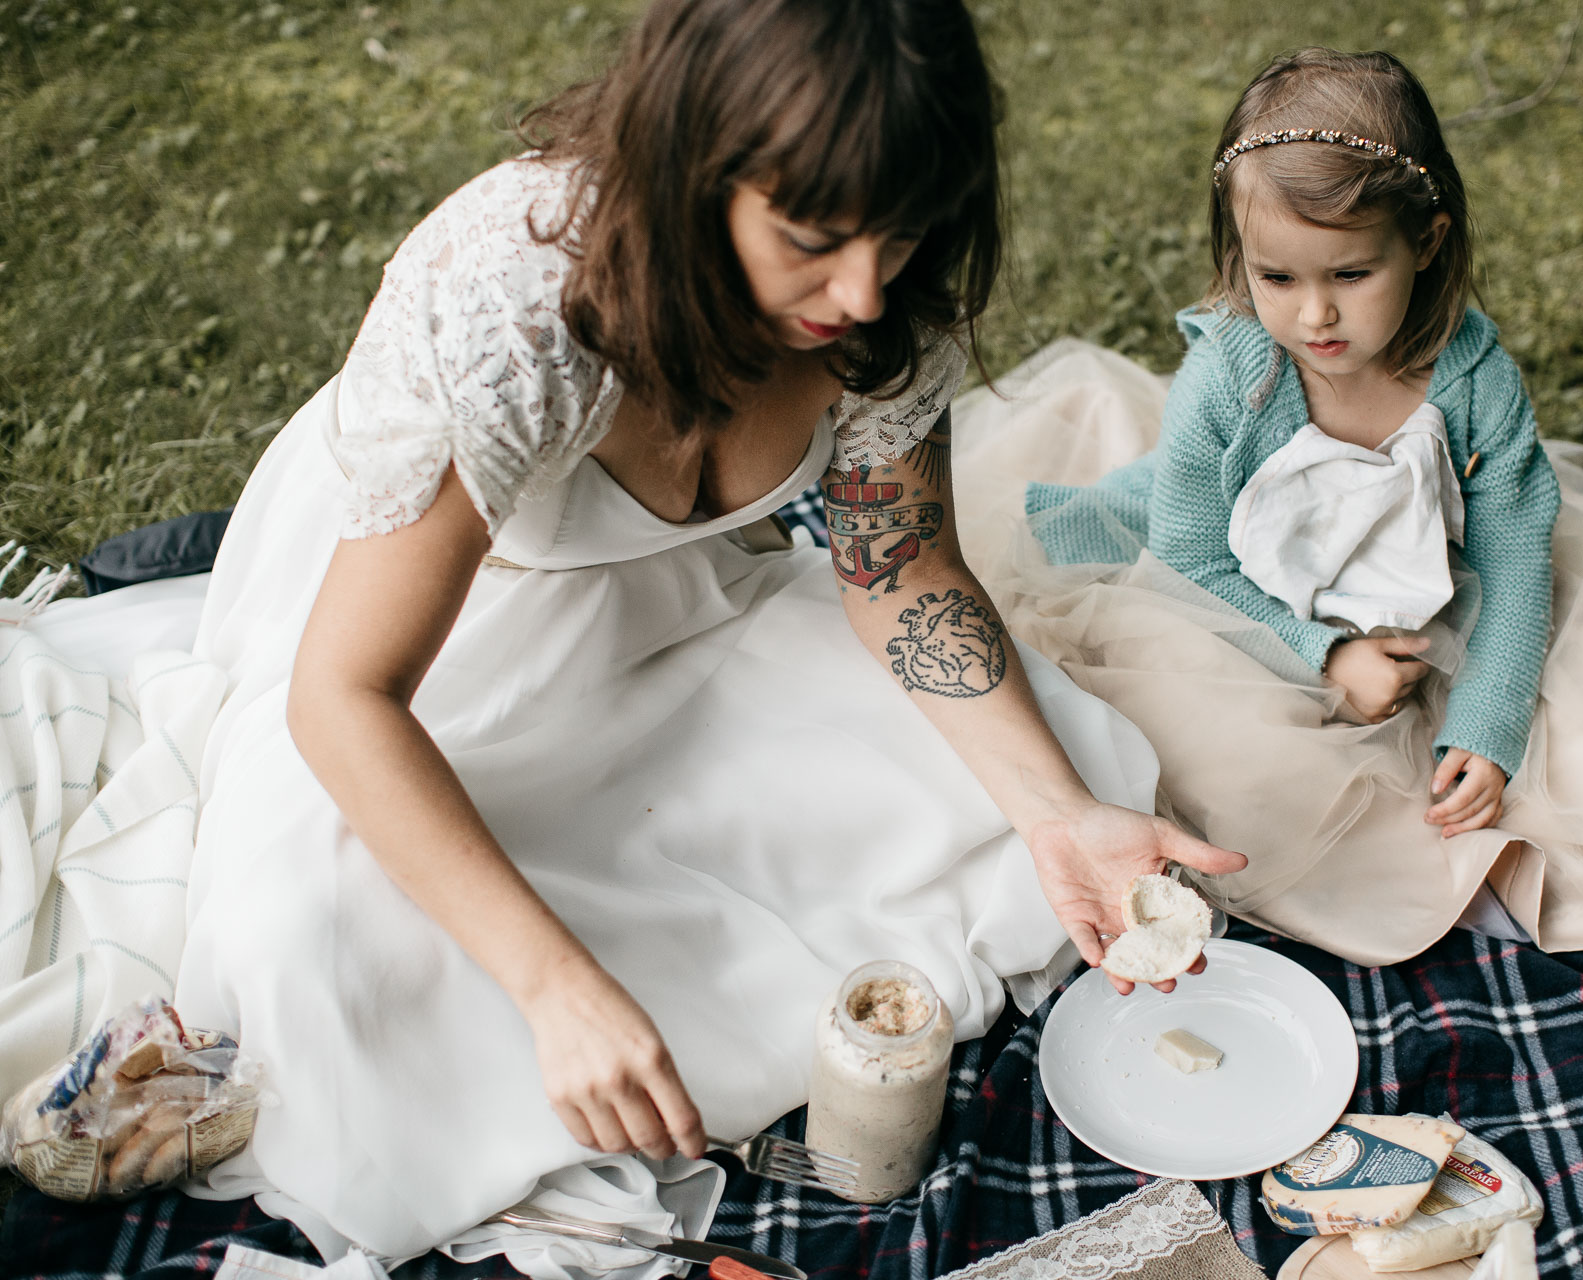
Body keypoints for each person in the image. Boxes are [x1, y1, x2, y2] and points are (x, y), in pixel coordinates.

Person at [153, 0, 1242, 1263]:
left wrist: (1054, 811)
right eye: (813, 239)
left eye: (899, 237)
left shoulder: (883, 302)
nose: (862, 290)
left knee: (1080, 777)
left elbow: (897, 571)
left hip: (675, 610)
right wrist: (556, 984)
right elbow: (345, 695)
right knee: (320, 947)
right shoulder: (509, 303)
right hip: (430, 646)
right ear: (693, 168)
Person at [951, 47, 1583, 967]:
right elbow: (1189, 557)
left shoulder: (1473, 379)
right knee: (1217, 764)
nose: (1314, 316)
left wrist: (1489, 725)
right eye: (1275, 276)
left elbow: (1510, 561)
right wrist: (1323, 653)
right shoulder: (1232, 375)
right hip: (1230, 591)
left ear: (1426, 239)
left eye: (1351, 275)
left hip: (1423, 576)